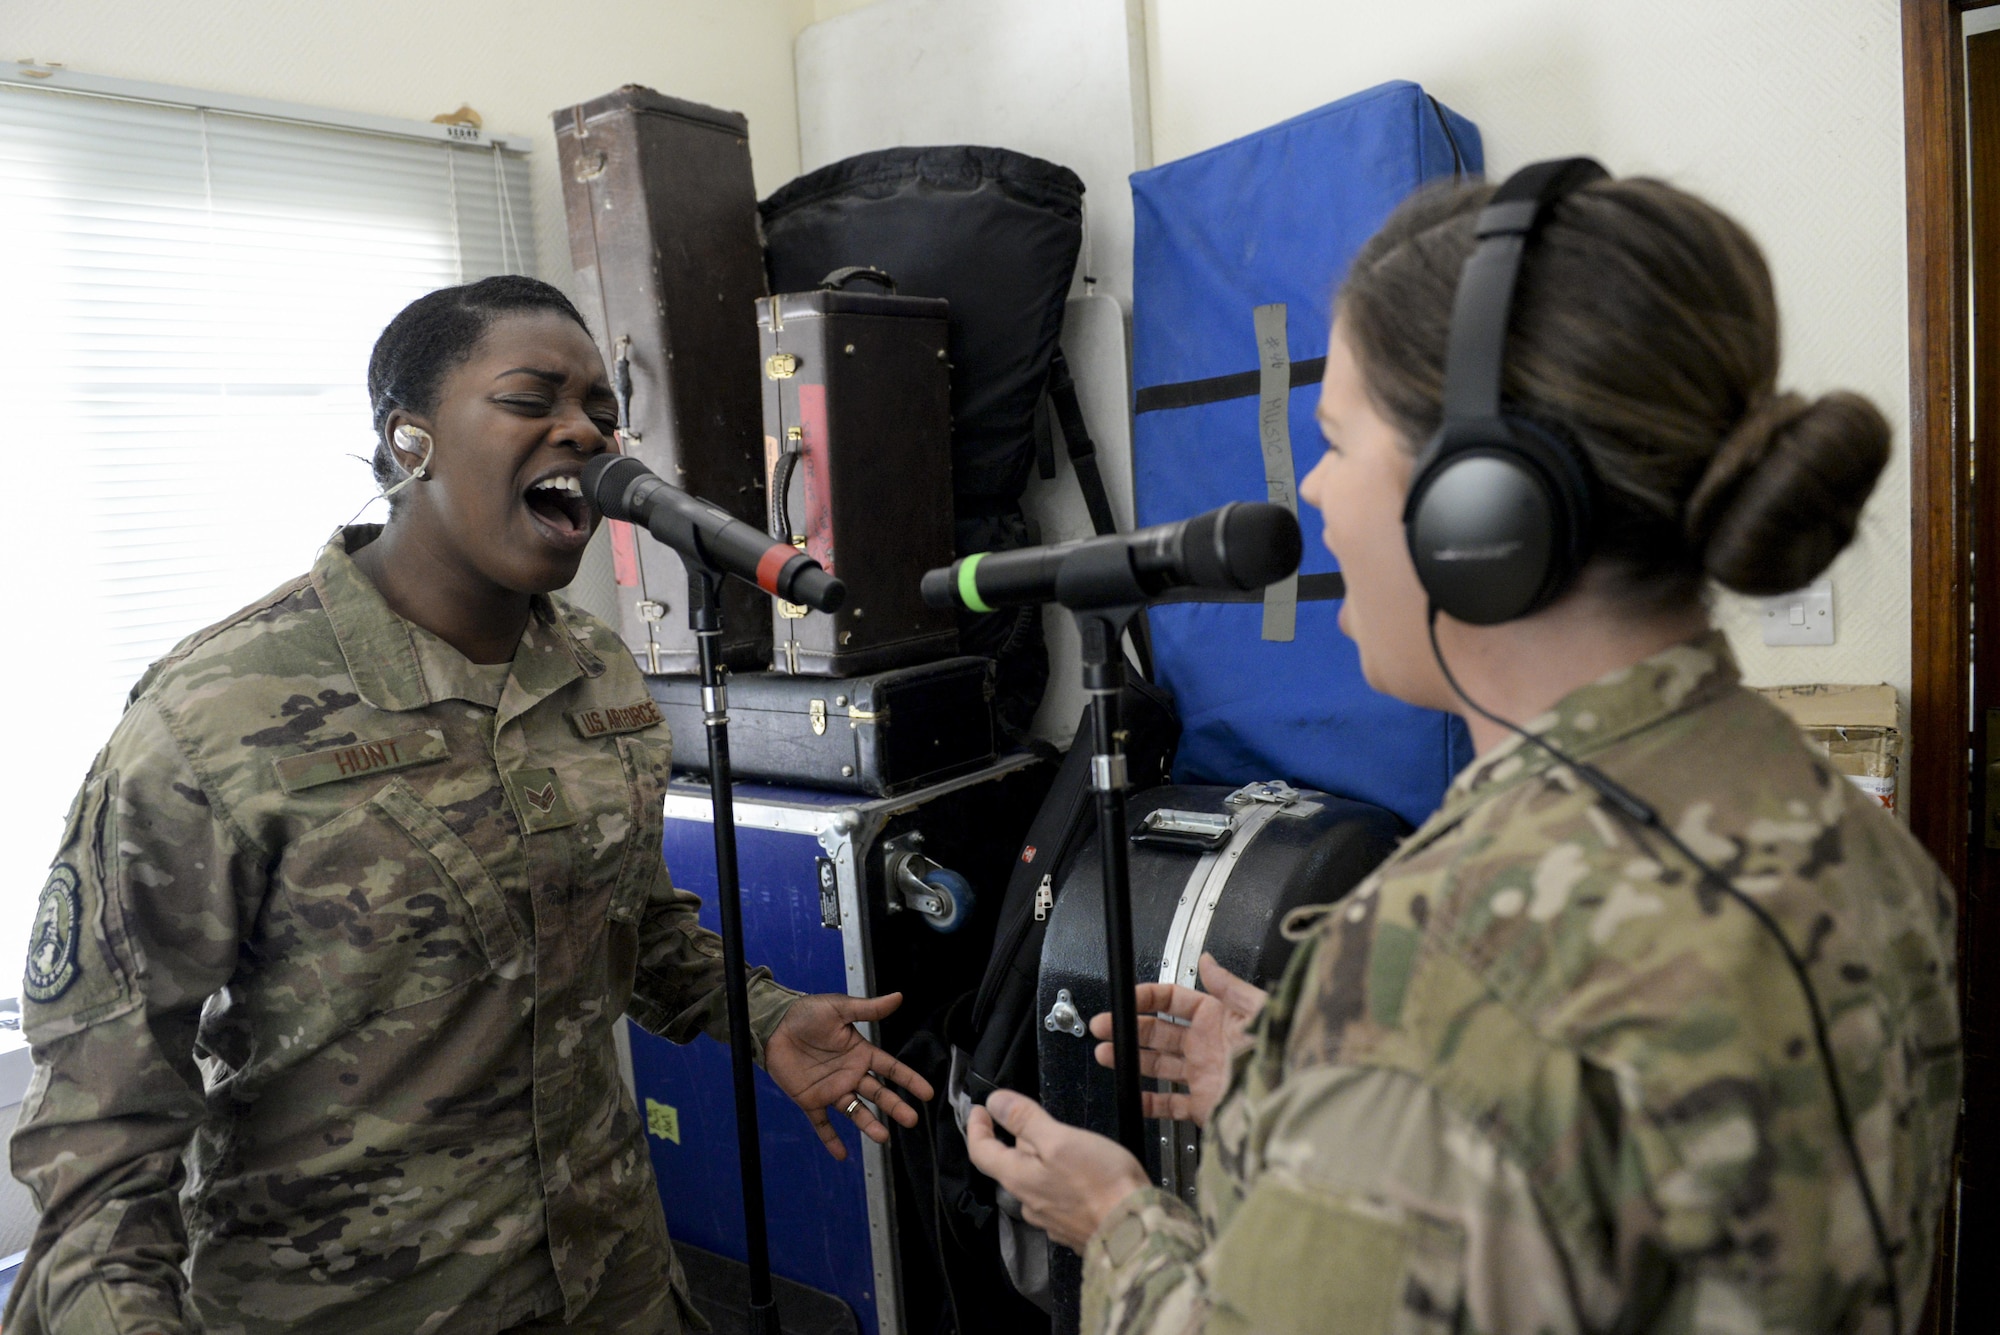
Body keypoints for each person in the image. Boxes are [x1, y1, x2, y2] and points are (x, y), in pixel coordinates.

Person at [968, 167, 1961, 1333]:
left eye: (1336, 442)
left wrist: (1120, 1221)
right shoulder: (1866, 849)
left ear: (1482, 512)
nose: (1320, 500)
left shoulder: (1436, 974)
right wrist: (1317, 1098)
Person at [6, 275, 933, 1335]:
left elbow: (628, 924)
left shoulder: (596, 672)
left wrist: (762, 1013)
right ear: (411, 440)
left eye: (599, 408)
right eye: (531, 398)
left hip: (609, 1281)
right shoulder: (214, 717)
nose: (581, 430)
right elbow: (101, 1122)